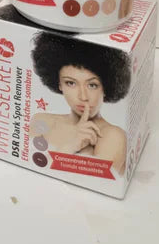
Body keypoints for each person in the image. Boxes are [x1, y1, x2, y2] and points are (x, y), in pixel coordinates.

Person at [30, 30, 131, 173]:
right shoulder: (41, 120)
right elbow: (26, 164)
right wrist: (70, 145)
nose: (83, 96)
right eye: (71, 83)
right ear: (59, 85)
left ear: (106, 87)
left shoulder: (113, 136)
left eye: (92, 85)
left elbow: (97, 182)